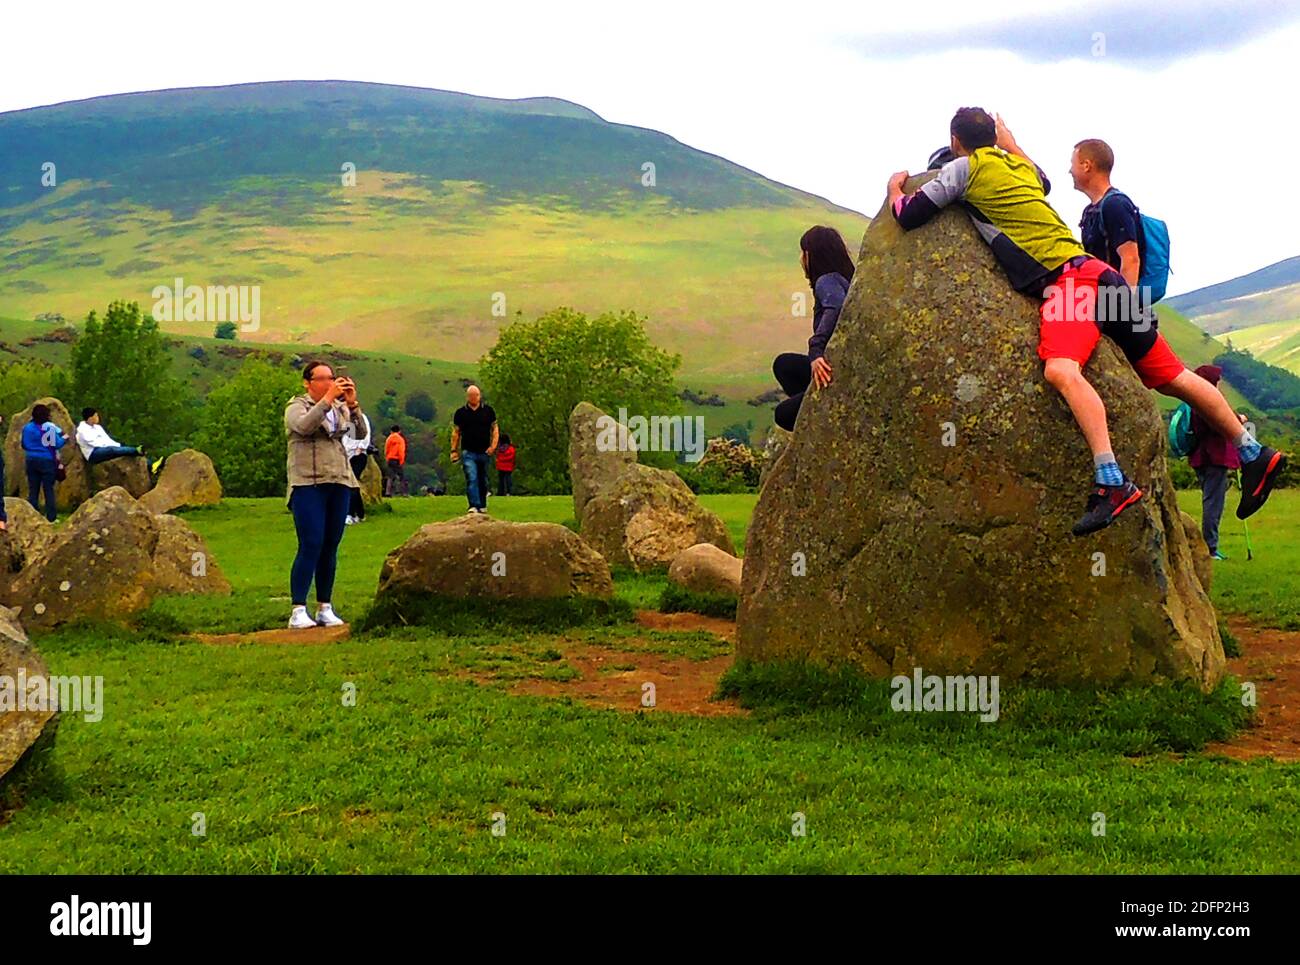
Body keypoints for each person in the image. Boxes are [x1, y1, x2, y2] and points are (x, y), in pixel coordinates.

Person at [888, 107, 1286, 535]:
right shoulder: (1017, 167)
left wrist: (895, 188)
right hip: (1103, 277)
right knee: (1173, 376)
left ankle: (1111, 482)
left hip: (1070, 284)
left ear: (954, 141)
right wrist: (1011, 141)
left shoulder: (964, 169)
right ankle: (1251, 451)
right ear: (994, 137)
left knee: (1061, 369)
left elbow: (910, 213)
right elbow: (1042, 179)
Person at [284, 360, 364, 630]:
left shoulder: (340, 408)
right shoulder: (296, 406)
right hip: (308, 483)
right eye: (322, 379)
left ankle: (325, 607)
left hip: (339, 480)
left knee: (331, 545)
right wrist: (328, 401)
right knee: (311, 542)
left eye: (332, 378)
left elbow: (360, 433)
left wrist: (352, 406)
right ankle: (297, 609)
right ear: (308, 382)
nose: (330, 383)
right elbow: (304, 427)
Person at [772, 226, 855, 431]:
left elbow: (835, 306)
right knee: (785, 365)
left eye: (803, 253)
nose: (801, 259)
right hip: (842, 366)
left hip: (835, 370)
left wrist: (816, 351)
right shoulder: (845, 280)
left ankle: (822, 411)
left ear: (812, 256)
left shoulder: (826, 280)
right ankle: (817, 398)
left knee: (783, 415)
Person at [1188, 365, 1245, 560]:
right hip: (1214, 457)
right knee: (1214, 503)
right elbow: (1219, 423)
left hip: (1201, 456)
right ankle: (1210, 549)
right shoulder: (1206, 400)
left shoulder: (1194, 398)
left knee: (1210, 500)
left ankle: (1210, 546)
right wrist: (1239, 419)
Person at [1071, 139, 1144, 288]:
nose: (1070, 171)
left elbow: (1131, 260)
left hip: (1114, 304)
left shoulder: (1115, 205)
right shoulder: (1090, 212)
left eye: (1073, 164)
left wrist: (1122, 307)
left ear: (1086, 166)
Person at [451, 384, 497, 514]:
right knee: (472, 477)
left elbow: (495, 429)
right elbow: (456, 432)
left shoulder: (488, 411)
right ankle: (474, 505)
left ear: (479, 396)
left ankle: (482, 504)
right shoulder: (461, 413)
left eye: (476, 395)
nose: (473, 398)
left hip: (484, 451)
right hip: (468, 451)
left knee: (483, 479)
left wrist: (493, 446)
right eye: (471, 396)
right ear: (467, 397)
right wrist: (454, 450)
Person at [22, 404, 67, 523]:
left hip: (31, 459)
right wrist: (65, 438)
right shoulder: (49, 428)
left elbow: (24, 444)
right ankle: (51, 517)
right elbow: (57, 444)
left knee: (33, 489)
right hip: (47, 460)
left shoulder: (27, 428)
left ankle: (32, 516)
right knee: (48, 489)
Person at [75, 408, 144, 465]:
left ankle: (151, 465)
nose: (98, 418)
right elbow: (94, 443)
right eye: (95, 416)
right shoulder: (82, 430)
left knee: (122, 448)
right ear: (90, 418)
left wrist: (117, 445)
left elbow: (106, 439)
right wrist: (111, 446)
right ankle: (135, 450)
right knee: (112, 450)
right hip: (93, 453)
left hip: (104, 448)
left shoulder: (98, 427)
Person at [343, 408, 372, 524]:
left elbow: (366, 433)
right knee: (351, 485)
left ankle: (350, 513)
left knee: (351, 484)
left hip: (357, 454)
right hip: (346, 455)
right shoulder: (343, 419)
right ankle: (359, 513)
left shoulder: (360, 418)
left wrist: (360, 447)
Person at [383, 424, 408, 496]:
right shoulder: (400, 439)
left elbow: (386, 449)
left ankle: (388, 492)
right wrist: (401, 460)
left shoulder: (389, 438)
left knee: (390, 476)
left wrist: (387, 458)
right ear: (399, 431)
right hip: (397, 459)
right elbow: (401, 450)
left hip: (390, 459)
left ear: (391, 431)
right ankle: (404, 493)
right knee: (402, 477)